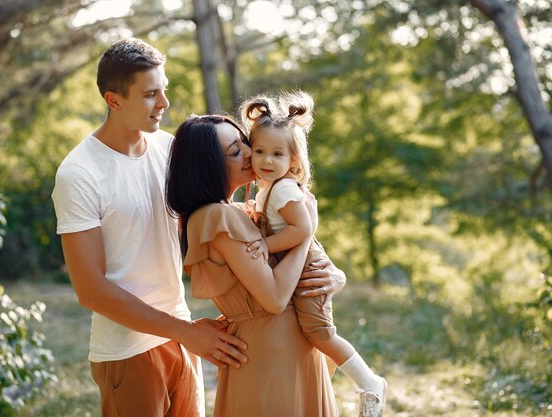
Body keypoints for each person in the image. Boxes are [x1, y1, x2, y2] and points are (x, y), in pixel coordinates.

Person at [51, 38, 252, 417]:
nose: (164, 103)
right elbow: (91, 291)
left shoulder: (169, 148)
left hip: (181, 339)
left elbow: (218, 206)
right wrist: (186, 332)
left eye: (164, 90)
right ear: (114, 100)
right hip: (128, 351)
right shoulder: (79, 173)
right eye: (150, 94)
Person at [165, 114, 347, 417]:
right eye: (237, 151)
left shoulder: (241, 212)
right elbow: (275, 298)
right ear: (208, 165)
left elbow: (287, 268)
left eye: (246, 144)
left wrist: (334, 275)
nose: (251, 153)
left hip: (282, 347)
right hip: (271, 356)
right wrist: (306, 234)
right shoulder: (219, 217)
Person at [239, 91, 388, 417]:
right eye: (260, 151)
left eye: (277, 154)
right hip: (296, 264)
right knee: (306, 333)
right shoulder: (267, 190)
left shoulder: (285, 189)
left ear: (293, 160)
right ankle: (318, 389)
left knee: (319, 332)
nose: (266, 160)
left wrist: (265, 245)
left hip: (307, 266)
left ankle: (370, 383)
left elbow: (302, 230)